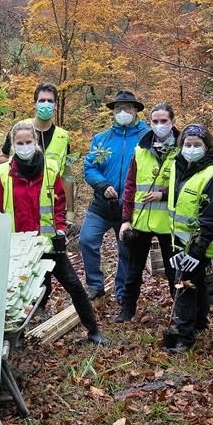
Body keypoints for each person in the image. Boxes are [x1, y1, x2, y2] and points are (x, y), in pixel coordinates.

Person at [0, 121, 108, 345]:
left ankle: (93, 331)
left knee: (74, 286)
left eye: (28, 142)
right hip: (19, 247)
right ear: (13, 145)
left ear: (35, 143)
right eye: (20, 143)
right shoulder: (3, 172)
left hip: (49, 244)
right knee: (18, 292)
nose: (24, 146)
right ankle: (15, 336)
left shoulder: (50, 168)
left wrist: (61, 230)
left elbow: (59, 204)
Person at [80, 90, 147, 302]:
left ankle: (122, 292)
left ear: (136, 110)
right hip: (102, 204)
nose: (123, 112)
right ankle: (94, 285)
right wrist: (102, 185)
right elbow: (90, 167)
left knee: (126, 251)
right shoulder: (102, 139)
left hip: (130, 207)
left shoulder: (146, 137)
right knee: (86, 240)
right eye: (119, 109)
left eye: (127, 108)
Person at [116, 102, 179, 323]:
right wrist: (126, 219)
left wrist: (164, 193)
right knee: (133, 270)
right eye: (155, 121)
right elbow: (130, 186)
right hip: (142, 220)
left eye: (164, 121)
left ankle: (179, 312)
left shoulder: (183, 149)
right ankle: (127, 310)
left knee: (174, 271)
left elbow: (190, 183)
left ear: (172, 122)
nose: (160, 125)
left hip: (170, 222)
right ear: (149, 123)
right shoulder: (140, 150)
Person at [164, 124, 213, 353]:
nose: (191, 148)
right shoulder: (178, 167)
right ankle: (199, 323)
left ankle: (184, 337)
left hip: (198, 244)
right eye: (187, 144)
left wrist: (196, 252)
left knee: (185, 284)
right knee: (197, 282)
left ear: (207, 147)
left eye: (196, 145)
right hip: (179, 240)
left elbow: (210, 218)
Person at [0, 82, 75, 203]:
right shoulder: (19, 129)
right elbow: (1, 158)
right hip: (21, 200)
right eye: (42, 100)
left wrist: (70, 211)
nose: (46, 104)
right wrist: (19, 163)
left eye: (50, 101)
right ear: (35, 104)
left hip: (50, 205)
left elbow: (67, 175)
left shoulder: (64, 137)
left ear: (55, 105)